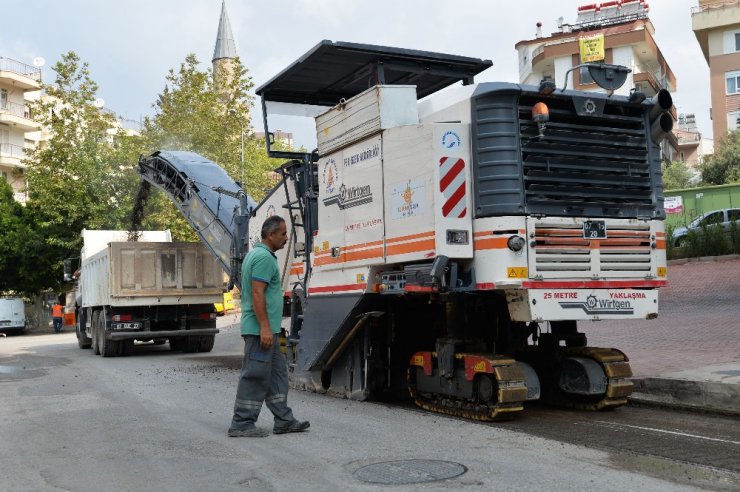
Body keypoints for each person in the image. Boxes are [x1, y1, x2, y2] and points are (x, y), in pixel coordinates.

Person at [228, 215, 310, 438]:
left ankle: (284, 420)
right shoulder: (263, 258)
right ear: (271, 235)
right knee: (255, 375)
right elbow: (257, 293)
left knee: (277, 376)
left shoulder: (257, 254)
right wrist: (264, 327)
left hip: (267, 330)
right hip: (259, 331)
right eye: (283, 234)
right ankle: (242, 423)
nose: (286, 238)